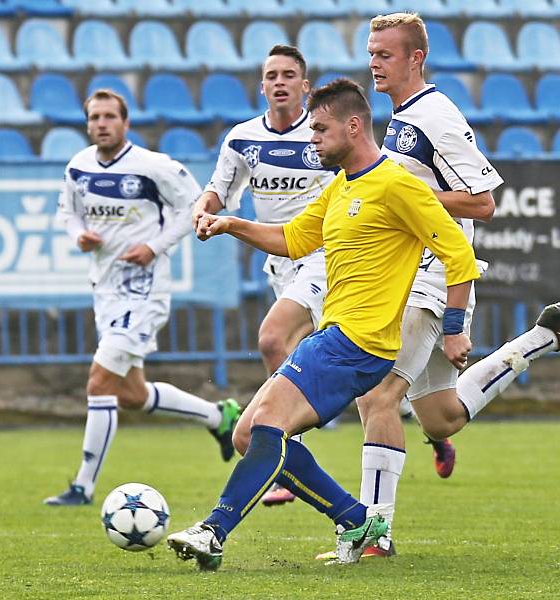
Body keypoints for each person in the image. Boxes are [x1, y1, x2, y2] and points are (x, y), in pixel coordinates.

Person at [316, 12, 560, 559]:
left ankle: (372, 537)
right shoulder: (401, 117)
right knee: (441, 416)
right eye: (371, 53)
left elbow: (482, 201)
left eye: (385, 54)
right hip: (408, 275)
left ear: (415, 58)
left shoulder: (436, 116)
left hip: (430, 277)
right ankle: (542, 338)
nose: (374, 63)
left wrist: (400, 194)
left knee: (379, 395)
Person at [166, 78, 480, 571]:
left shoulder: (399, 184)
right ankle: (356, 518)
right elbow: (292, 239)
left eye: (320, 129)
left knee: (266, 424)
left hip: (356, 341)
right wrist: (231, 224)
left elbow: (459, 256)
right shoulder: (341, 186)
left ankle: (213, 530)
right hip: (337, 339)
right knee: (248, 435)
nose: (312, 138)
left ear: (353, 126)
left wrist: (456, 327)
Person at [44, 89, 241, 506]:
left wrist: (154, 246)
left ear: (125, 122)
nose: (101, 123)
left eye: (109, 117)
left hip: (145, 289)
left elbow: (194, 207)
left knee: (99, 381)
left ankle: (82, 487)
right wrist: (78, 234)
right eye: (94, 117)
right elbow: (67, 210)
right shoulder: (78, 167)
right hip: (106, 289)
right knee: (129, 394)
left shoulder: (153, 167)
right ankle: (217, 416)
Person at [192, 45, 337, 507]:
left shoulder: (322, 135)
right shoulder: (242, 140)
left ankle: (275, 450)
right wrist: (201, 211)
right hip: (280, 266)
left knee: (273, 340)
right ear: (262, 86)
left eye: (289, 74)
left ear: (304, 86)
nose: (280, 82)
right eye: (272, 75)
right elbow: (217, 191)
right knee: (326, 368)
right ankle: (432, 427)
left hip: (322, 256)